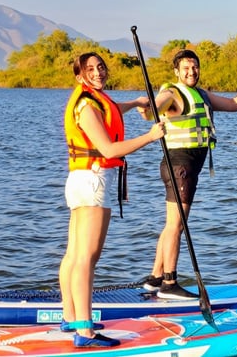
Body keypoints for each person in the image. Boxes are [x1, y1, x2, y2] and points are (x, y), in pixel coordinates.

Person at [141, 49, 237, 300]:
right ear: (176, 72)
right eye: (186, 68)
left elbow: (233, 105)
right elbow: (155, 109)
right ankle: (169, 283)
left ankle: (155, 278)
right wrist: (148, 111)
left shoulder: (201, 94)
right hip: (180, 164)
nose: (192, 72)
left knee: (172, 225)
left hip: (189, 166)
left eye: (195, 67)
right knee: (176, 225)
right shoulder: (172, 93)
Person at [59, 52, 165, 348]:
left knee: (73, 255)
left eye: (100, 66)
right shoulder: (86, 105)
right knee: (86, 258)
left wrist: (135, 103)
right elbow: (108, 149)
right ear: (79, 76)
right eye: (89, 69)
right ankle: (85, 330)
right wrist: (150, 136)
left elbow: (112, 109)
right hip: (93, 181)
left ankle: (70, 317)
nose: (97, 72)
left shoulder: (92, 99)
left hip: (82, 179)